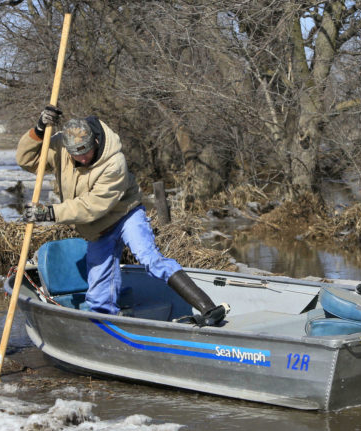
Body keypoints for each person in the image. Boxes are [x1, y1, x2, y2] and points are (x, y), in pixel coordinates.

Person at [16, 106, 227, 324]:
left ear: (95, 142)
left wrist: (51, 213)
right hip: (97, 228)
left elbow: (92, 206)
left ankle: (208, 307)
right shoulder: (62, 145)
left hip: (126, 215)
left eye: (86, 152)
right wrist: (39, 131)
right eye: (76, 155)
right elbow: (27, 161)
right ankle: (106, 325)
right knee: (98, 293)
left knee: (150, 258)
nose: (83, 159)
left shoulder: (114, 162)